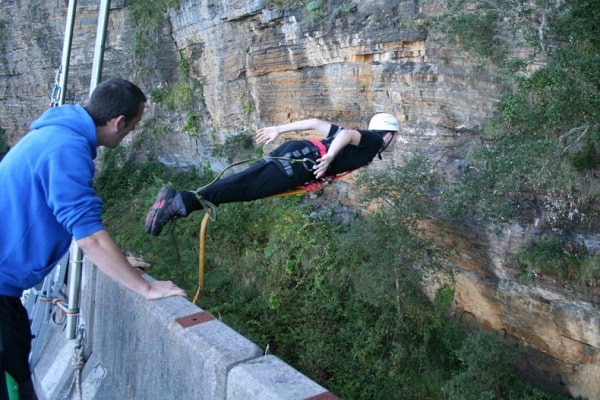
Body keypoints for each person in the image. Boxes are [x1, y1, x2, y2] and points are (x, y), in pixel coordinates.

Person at [0, 78, 187, 400]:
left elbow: (60, 223)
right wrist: (145, 287)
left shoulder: (52, 135)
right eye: (134, 125)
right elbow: (89, 236)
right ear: (118, 122)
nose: (131, 133)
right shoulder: (66, 149)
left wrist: (119, 263)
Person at [144, 113, 400, 236]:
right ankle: (178, 202)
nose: (395, 143)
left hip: (297, 156)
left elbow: (314, 123)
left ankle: (179, 201)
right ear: (388, 134)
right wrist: (330, 158)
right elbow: (347, 135)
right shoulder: (374, 141)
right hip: (300, 162)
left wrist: (278, 129)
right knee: (245, 188)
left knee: (244, 186)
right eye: (396, 138)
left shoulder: (368, 144)